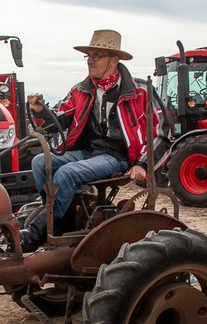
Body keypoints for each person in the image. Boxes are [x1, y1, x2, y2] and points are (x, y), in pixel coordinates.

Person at [20, 29, 166, 252]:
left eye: (97, 56)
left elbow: (161, 131)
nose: (91, 61)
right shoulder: (81, 90)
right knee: (40, 162)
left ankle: (36, 233)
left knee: (66, 173)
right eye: (89, 56)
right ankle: (59, 219)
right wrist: (41, 111)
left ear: (114, 60)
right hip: (89, 152)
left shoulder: (140, 91)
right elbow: (61, 116)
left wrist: (142, 164)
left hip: (117, 157)